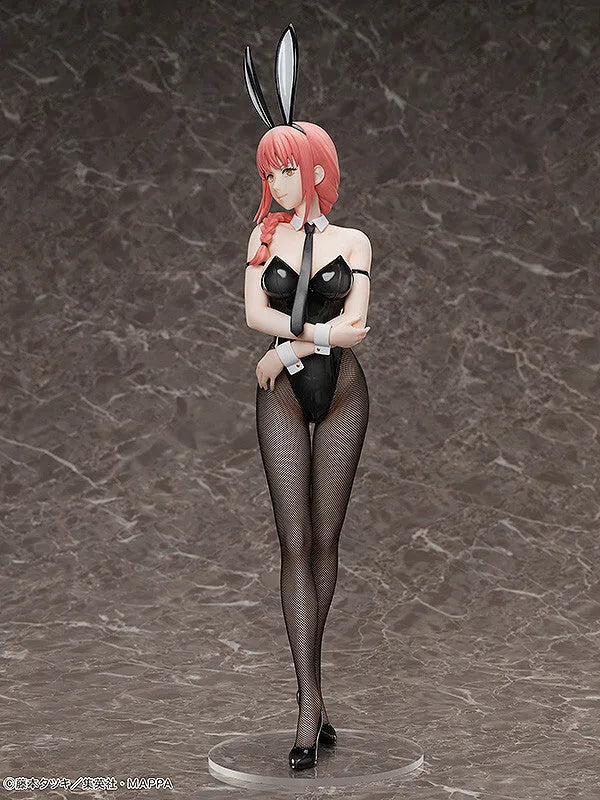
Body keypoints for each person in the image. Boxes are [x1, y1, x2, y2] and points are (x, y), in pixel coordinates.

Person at [243, 24, 372, 771]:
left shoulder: (354, 243)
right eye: (271, 173)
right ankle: (308, 703)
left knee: (327, 544)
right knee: (293, 546)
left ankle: (313, 694)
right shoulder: (263, 241)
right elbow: (252, 315)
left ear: (316, 169)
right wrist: (296, 341)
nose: (278, 184)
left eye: (288, 170)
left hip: (342, 392)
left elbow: (356, 330)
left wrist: (292, 347)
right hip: (282, 400)